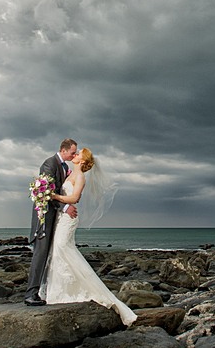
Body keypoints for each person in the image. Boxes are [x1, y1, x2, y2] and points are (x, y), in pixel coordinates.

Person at [39, 147, 137, 326]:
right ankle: (58, 292)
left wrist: (53, 195)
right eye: (75, 153)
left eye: (78, 154)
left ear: (82, 161)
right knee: (58, 250)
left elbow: (75, 198)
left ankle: (84, 290)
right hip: (61, 217)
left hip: (68, 219)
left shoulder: (80, 177)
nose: (75, 155)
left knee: (63, 247)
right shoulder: (69, 173)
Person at [24, 138, 78, 306]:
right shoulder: (50, 164)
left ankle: (42, 291)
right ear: (63, 150)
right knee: (40, 255)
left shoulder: (65, 167)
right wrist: (64, 207)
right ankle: (30, 294)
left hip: (55, 218)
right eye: (72, 152)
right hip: (44, 217)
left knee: (48, 255)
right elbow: (46, 192)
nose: (74, 154)